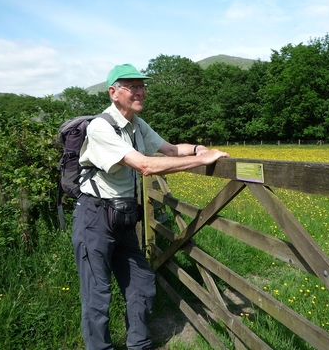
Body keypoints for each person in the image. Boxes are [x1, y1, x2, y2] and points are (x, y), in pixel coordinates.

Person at [72, 63, 229, 350]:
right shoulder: (100, 127)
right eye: (133, 86)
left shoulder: (136, 124)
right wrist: (201, 162)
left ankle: (140, 345)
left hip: (123, 219)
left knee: (142, 284)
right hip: (94, 217)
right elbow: (144, 165)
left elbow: (169, 149)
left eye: (142, 86)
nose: (141, 91)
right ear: (113, 92)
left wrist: (198, 149)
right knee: (97, 295)